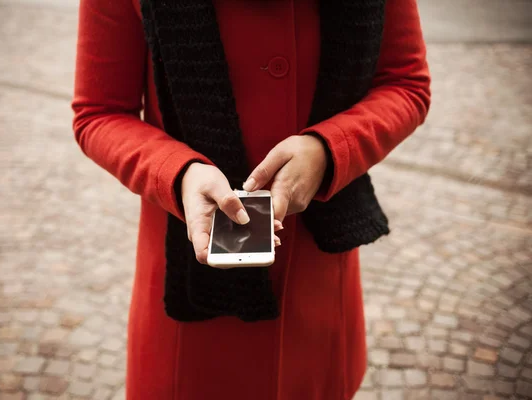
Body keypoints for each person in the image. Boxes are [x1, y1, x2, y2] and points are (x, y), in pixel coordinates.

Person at [72, 0, 431, 398]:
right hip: (190, 281)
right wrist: (178, 172)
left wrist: (329, 150)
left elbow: (406, 83)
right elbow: (99, 112)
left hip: (316, 281)